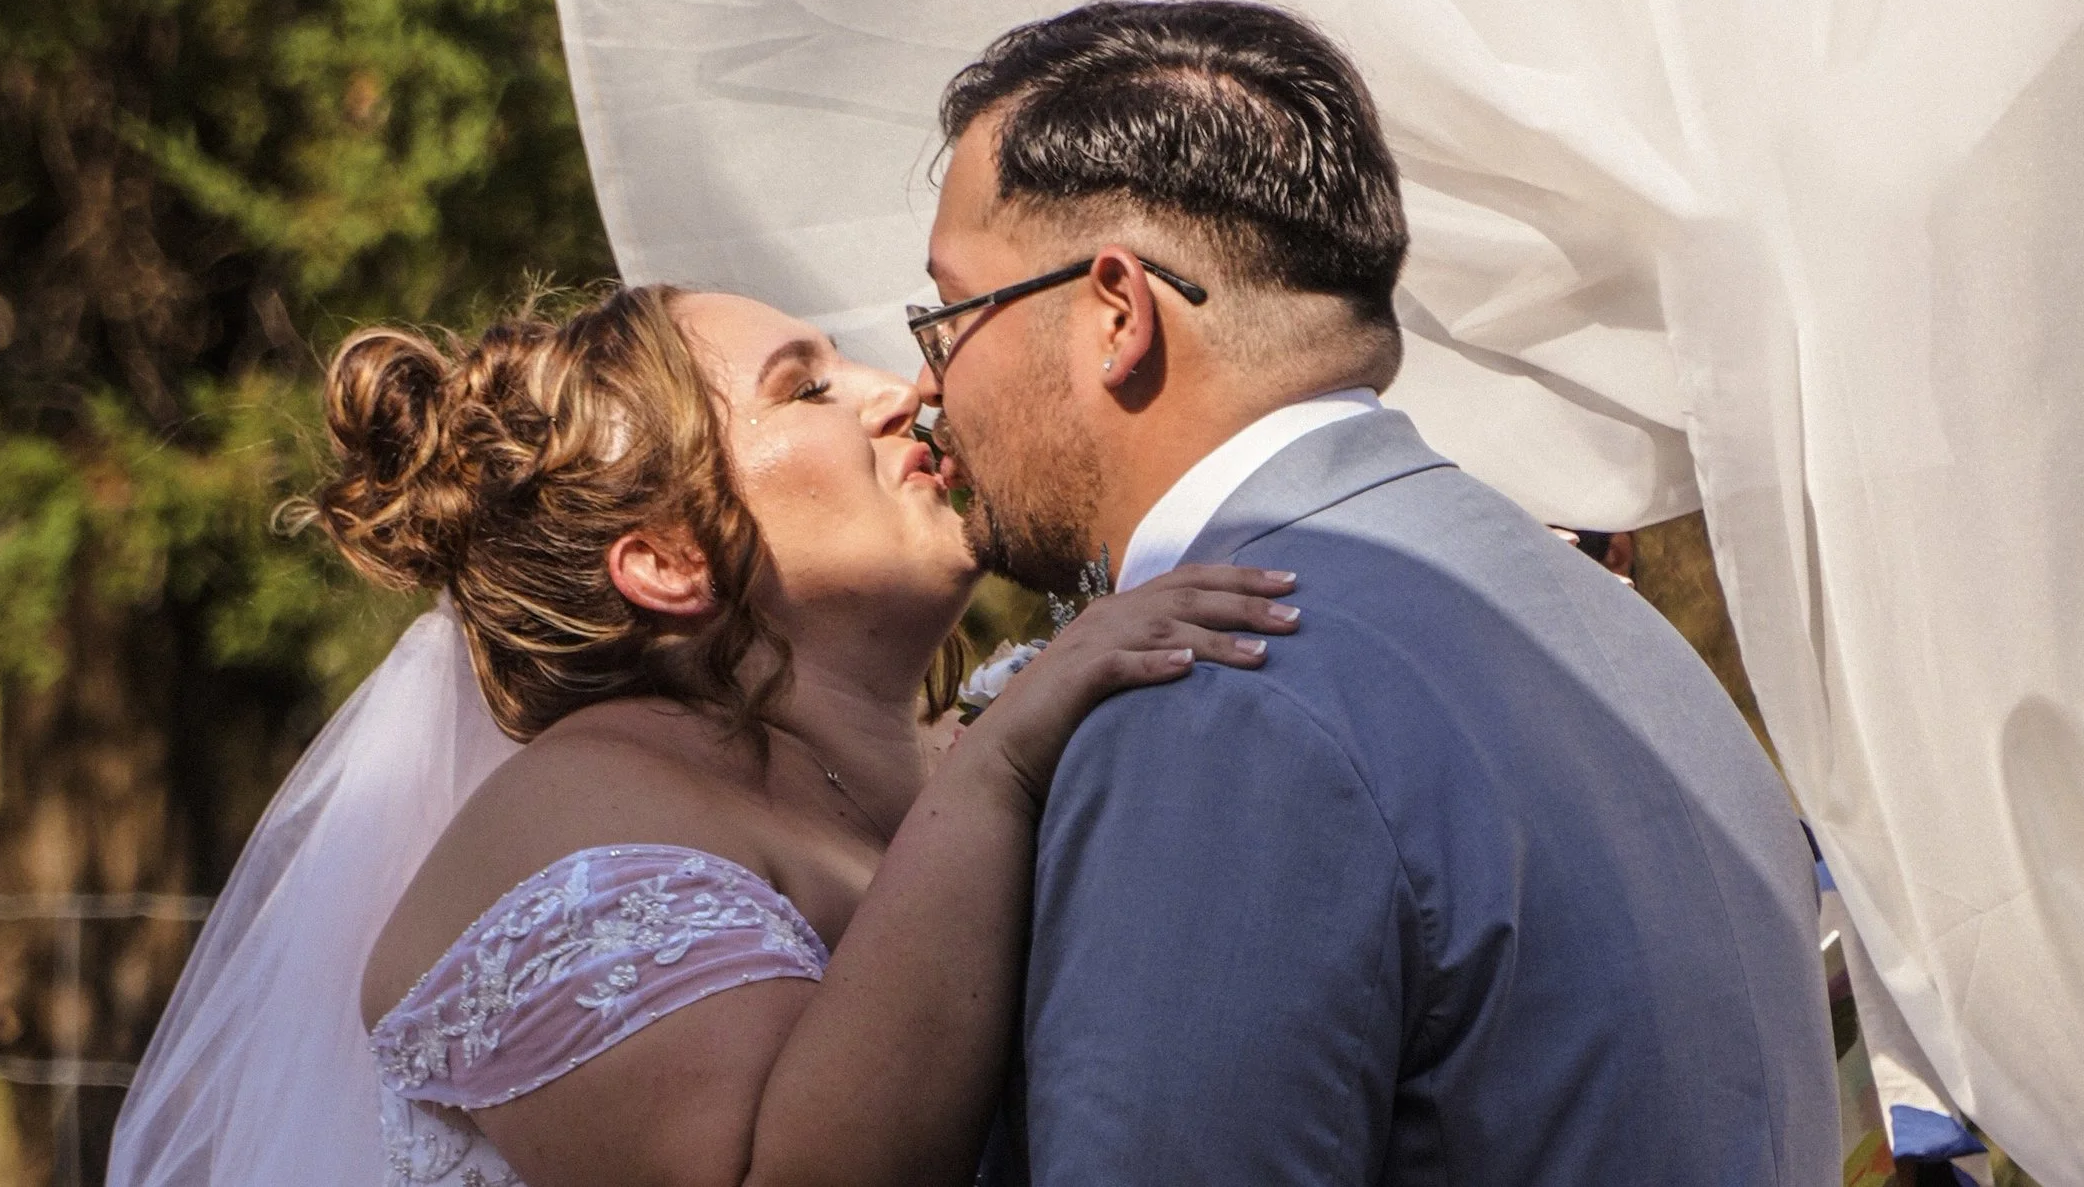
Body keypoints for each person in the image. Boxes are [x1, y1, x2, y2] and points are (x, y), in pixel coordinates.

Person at [912, 0, 1843, 1184]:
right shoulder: (1596, 622)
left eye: (948, 316)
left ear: (1114, 314)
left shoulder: (1216, 690)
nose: (928, 386)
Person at [107, 284, 1299, 1187]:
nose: (903, 389)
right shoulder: (572, 824)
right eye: (807, 388)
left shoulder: (957, 745)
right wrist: (1000, 773)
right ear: (670, 560)